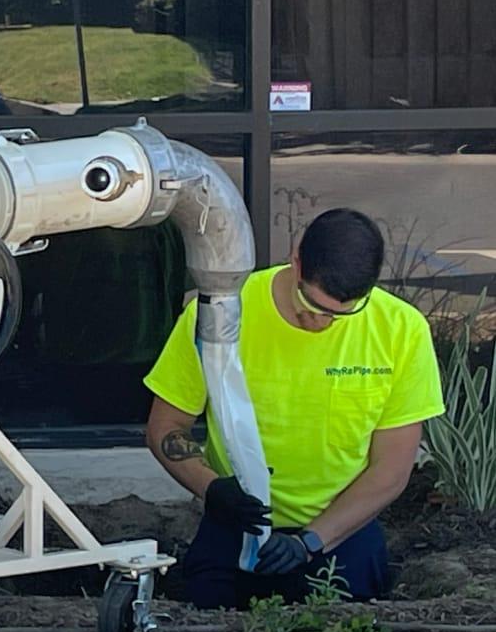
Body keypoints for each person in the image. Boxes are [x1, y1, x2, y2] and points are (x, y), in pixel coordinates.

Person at [143, 208, 444, 609]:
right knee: (202, 617)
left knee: (342, 627)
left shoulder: (402, 330)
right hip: (238, 518)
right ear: (295, 257)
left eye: (341, 314)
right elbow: (165, 426)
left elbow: (391, 470)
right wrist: (211, 488)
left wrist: (310, 542)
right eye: (311, 304)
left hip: (341, 527)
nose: (321, 323)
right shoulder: (219, 314)